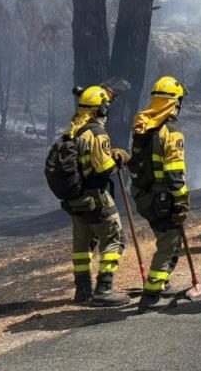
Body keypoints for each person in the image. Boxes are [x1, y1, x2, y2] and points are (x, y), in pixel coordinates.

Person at [65, 85, 131, 307]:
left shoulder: (75, 130)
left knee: (82, 244)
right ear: (100, 110)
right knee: (115, 239)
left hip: (77, 197)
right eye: (106, 106)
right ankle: (104, 290)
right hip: (96, 197)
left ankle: (82, 291)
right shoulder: (97, 132)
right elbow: (104, 168)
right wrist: (118, 159)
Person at [128, 76, 190, 311]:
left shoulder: (142, 125)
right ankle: (151, 294)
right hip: (163, 198)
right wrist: (182, 200)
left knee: (169, 239)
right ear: (174, 102)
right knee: (169, 243)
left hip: (143, 195)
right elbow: (175, 173)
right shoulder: (171, 131)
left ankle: (162, 282)